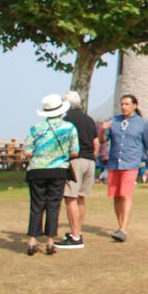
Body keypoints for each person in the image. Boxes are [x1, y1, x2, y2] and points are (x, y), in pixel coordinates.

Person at [23, 94, 79, 256]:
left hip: (36, 170)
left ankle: (32, 240)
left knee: (36, 205)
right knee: (53, 205)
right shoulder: (69, 128)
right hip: (58, 170)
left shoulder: (35, 128)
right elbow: (75, 152)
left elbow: (27, 152)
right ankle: (49, 241)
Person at [104, 94, 148, 242]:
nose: (123, 107)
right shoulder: (114, 121)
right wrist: (103, 130)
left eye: (127, 104)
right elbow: (103, 139)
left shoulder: (142, 123)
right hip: (114, 163)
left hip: (131, 163)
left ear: (134, 105)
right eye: (122, 104)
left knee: (126, 195)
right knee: (116, 196)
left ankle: (123, 228)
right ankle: (120, 226)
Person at [55, 91, 98, 250]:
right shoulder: (89, 120)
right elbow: (96, 142)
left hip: (75, 160)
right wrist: (93, 157)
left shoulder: (66, 121)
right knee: (81, 198)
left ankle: (75, 237)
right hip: (89, 161)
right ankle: (77, 231)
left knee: (70, 197)